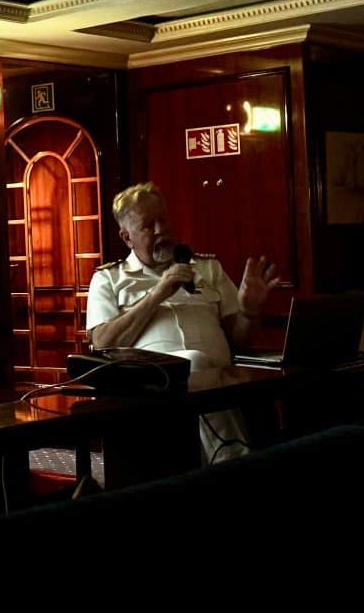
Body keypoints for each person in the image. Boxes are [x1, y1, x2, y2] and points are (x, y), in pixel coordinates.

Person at [86, 182, 280, 463]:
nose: (160, 231)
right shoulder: (108, 279)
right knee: (192, 362)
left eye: (163, 220)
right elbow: (102, 343)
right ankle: (234, 460)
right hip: (150, 390)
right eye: (148, 225)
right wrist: (158, 294)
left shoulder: (207, 268)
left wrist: (249, 312)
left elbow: (240, 339)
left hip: (221, 381)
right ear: (127, 237)